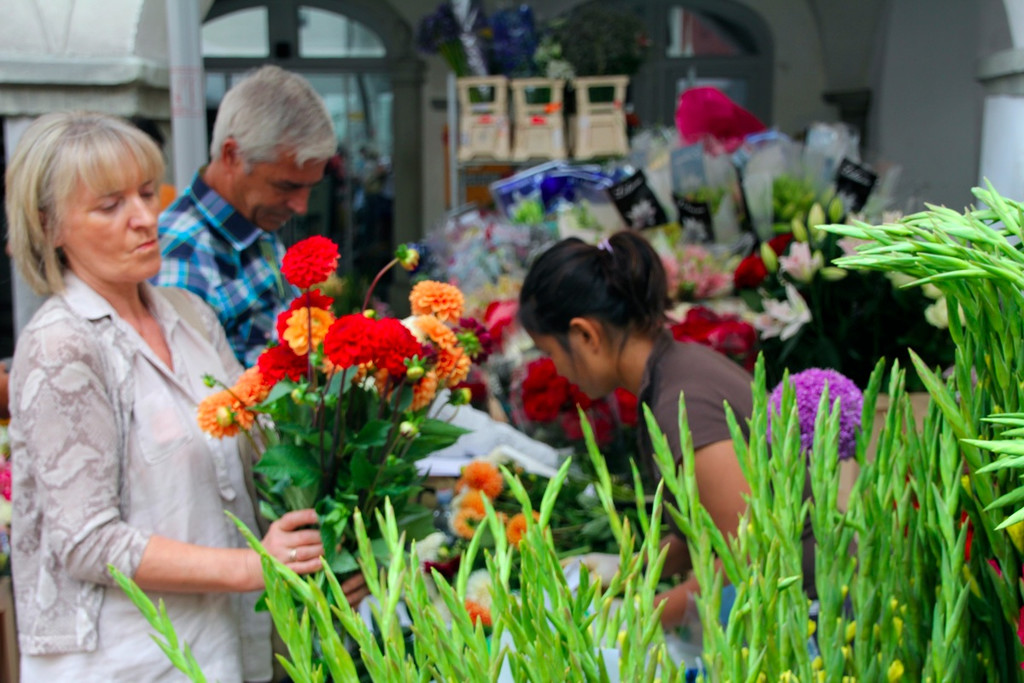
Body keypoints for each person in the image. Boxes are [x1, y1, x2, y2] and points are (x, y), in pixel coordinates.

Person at [3, 111, 363, 681]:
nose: (146, 219)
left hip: (223, 643)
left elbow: (258, 453)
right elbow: (86, 541)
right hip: (125, 659)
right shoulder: (62, 344)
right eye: (109, 205)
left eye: (148, 193)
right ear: (49, 227)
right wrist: (254, 566)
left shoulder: (188, 315)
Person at [518, 230, 808, 629]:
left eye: (551, 353)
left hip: (811, 612)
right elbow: (707, 532)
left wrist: (635, 620)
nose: (558, 370)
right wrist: (628, 569)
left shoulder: (681, 402)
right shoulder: (677, 368)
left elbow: (747, 550)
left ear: (586, 335)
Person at [155, 65, 337, 366]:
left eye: (309, 188)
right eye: (286, 186)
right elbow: (192, 400)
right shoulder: (181, 258)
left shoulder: (253, 221)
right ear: (231, 156)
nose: (300, 206)